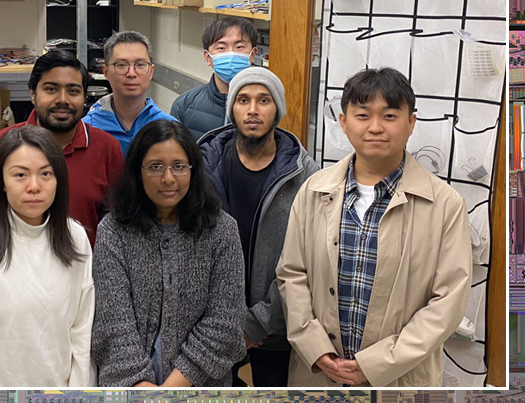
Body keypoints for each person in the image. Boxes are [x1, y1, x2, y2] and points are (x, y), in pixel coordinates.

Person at [276, 68, 472, 387]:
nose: (376, 127)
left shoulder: (445, 205)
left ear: (411, 123)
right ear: (343, 122)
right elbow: (291, 274)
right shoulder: (313, 191)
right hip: (320, 374)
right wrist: (315, 348)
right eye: (363, 115)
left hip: (401, 378)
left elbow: (447, 302)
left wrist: (378, 364)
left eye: (390, 115)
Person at [91, 119, 246, 387]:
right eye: (155, 167)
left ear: (193, 170)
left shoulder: (221, 230)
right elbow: (113, 324)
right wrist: (142, 388)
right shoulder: (113, 231)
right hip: (132, 390)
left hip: (201, 387)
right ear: (137, 171)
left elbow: (225, 322)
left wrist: (169, 391)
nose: (168, 178)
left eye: (179, 167)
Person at [0, 125, 95, 387]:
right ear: (1, 181)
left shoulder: (75, 237)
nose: (34, 186)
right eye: (20, 175)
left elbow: (82, 334)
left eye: (45, 173)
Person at [198, 67, 319, 387]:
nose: (253, 110)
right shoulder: (202, 165)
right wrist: (221, 322)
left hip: (276, 328)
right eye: (243, 100)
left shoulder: (305, 175)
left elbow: (307, 260)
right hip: (210, 325)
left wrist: (259, 322)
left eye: (263, 100)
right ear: (231, 109)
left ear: (278, 108)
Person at [0, 49, 123, 247]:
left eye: (73, 91)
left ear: (84, 97)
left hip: (83, 271)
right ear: (32, 94)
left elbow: (118, 224)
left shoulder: (106, 148)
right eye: (51, 89)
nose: (62, 100)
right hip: (14, 271)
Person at [82, 31, 177, 154]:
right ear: (106, 72)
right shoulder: (87, 130)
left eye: (140, 65)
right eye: (121, 65)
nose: (131, 73)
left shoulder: (169, 129)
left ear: (151, 71)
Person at [171, 17, 259, 140]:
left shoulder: (266, 105)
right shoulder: (184, 106)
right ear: (208, 57)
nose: (231, 54)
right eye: (221, 48)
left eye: (239, 47)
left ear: (253, 54)